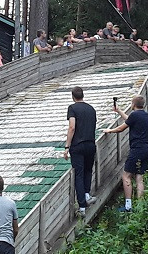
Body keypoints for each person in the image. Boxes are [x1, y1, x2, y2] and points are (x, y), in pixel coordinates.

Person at [103, 95, 148, 212]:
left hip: (137, 150)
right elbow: (129, 120)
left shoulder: (135, 115)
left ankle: (128, 206)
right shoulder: (146, 116)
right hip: (147, 149)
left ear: (133, 104)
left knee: (126, 176)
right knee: (139, 176)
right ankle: (140, 206)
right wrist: (119, 111)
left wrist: (110, 130)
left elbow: (122, 128)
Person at [64, 86, 97, 217]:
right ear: (83, 95)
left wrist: (67, 146)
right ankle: (87, 195)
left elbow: (72, 127)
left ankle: (82, 207)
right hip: (90, 143)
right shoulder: (91, 109)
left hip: (77, 146)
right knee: (88, 170)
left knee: (79, 174)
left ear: (73, 97)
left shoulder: (72, 108)